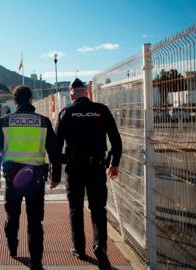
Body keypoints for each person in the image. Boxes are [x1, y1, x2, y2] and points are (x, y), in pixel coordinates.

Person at [0, 85, 62, 270]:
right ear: (30, 99)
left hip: (13, 177)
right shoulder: (43, 121)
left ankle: (12, 248)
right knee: (35, 221)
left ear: (15, 101)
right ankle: (36, 262)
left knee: (12, 215)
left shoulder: (5, 121)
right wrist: (56, 176)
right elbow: (54, 152)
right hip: (36, 178)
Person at [55, 78, 122, 270]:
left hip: (74, 168)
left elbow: (56, 146)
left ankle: (79, 248)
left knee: (75, 208)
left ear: (71, 93)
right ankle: (100, 245)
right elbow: (116, 140)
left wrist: (56, 172)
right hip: (96, 167)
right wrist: (114, 163)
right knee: (98, 208)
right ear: (86, 92)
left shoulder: (66, 113)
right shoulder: (101, 110)